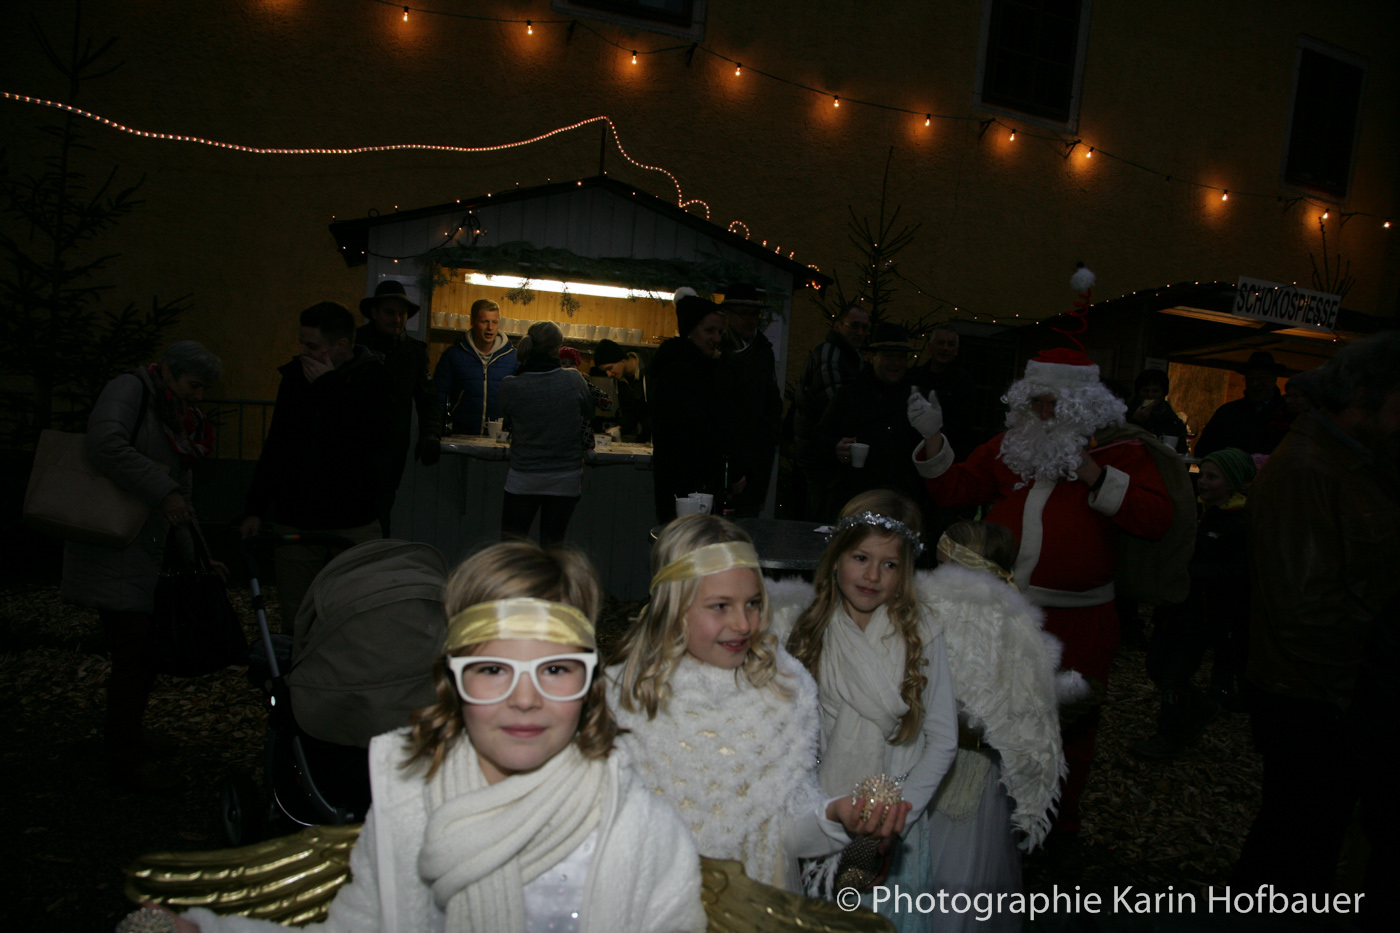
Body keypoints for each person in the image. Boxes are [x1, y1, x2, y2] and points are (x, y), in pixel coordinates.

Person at [147, 540, 706, 932]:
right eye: (492, 669)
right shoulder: (407, 807)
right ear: (451, 681)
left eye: (556, 669)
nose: (525, 698)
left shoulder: (642, 832)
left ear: (591, 684)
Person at [907, 347, 1173, 863]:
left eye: (1055, 404)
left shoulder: (1120, 453)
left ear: (1081, 406)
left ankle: (1058, 828)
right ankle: (993, 822)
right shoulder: (1010, 447)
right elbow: (954, 490)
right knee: (992, 716)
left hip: (1081, 620)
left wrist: (1093, 473)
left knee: (1069, 726)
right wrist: (933, 439)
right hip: (1004, 612)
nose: (1044, 413)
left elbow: (1155, 520)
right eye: (1036, 402)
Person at [609, 515, 908, 892]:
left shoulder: (782, 688)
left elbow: (786, 834)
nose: (743, 624)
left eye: (752, 603)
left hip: (759, 899)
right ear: (673, 605)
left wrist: (834, 816)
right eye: (720, 606)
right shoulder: (627, 698)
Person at [1235, 331, 1400, 894]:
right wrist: (1381, 670)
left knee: (1307, 836)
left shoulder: (1356, 463)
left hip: (1332, 692)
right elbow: (1305, 611)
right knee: (1295, 843)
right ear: (1361, 402)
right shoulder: (1307, 470)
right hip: (1312, 697)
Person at [783, 490, 959, 926]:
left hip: (896, 818)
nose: (873, 575)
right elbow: (791, 737)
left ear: (905, 572)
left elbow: (943, 741)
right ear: (836, 558)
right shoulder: (808, 631)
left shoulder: (922, 634)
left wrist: (897, 819)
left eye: (890, 564)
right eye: (861, 558)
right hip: (823, 811)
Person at [60, 340, 222, 793]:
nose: (199, 397)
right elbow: (105, 444)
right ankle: (125, 758)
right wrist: (161, 492)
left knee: (141, 652)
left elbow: (179, 491)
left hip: (143, 545)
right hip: (116, 543)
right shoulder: (129, 390)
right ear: (168, 372)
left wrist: (198, 555)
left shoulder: (169, 409)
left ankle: (127, 736)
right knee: (134, 652)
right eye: (194, 385)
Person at [919, 520, 1066, 932]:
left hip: (966, 770)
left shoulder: (988, 621)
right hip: (946, 762)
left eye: (944, 566)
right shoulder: (999, 613)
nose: (935, 573)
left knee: (954, 867)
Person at [239, 302, 394, 626]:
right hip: (298, 516)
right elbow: (277, 444)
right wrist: (255, 507)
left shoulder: (374, 378)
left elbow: (369, 441)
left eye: (311, 346)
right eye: (301, 343)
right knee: (298, 613)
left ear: (341, 346)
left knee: (356, 612)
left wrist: (329, 388)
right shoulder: (296, 377)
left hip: (353, 517)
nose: (302, 352)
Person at [1131, 447, 1255, 760]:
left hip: (1203, 614)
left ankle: (1169, 736)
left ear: (1232, 483)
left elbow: (1235, 574)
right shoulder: (1193, 512)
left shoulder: (1238, 524)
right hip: (1173, 606)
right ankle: (1201, 706)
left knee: (1175, 674)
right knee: (1157, 666)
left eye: (1213, 477)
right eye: (1203, 475)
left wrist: (1186, 571)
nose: (1203, 482)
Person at [821, 323, 937, 541]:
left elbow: (935, 449)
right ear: (871, 357)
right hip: (856, 497)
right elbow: (820, 439)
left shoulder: (919, 398)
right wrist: (836, 448)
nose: (896, 363)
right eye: (888, 356)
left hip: (903, 501)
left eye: (901, 357)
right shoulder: (850, 394)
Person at [498, 322, 595, 548]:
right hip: (565, 477)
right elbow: (589, 412)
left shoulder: (510, 385)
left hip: (524, 475)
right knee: (552, 548)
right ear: (557, 349)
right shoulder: (574, 379)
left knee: (511, 549)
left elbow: (506, 416)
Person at [356, 281, 442, 532]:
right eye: (390, 312)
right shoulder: (354, 345)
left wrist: (431, 434)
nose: (397, 319)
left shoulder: (414, 352)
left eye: (402, 313)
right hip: (352, 444)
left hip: (391, 450)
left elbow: (428, 399)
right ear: (374, 313)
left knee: (381, 513)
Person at [648, 288, 728, 522]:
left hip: (688, 482)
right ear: (690, 331)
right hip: (688, 484)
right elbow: (692, 431)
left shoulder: (694, 366)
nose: (717, 338)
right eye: (709, 330)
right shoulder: (681, 370)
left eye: (719, 332)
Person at [791, 304, 870, 520]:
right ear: (838, 326)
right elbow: (833, 404)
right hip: (819, 454)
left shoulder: (854, 357)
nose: (860, 332)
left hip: (830, 452)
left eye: (864, 328)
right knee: (820, 517)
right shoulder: (830, 354)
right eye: (854, 326)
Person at [718, 283, 783, 516]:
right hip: (725, 461)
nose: (751, 320)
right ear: (727, 315)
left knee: (747, 524)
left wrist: (768, 440)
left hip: (756, 461)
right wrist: (732, 467)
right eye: (744, 313)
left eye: (755, 314)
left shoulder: (763, 351)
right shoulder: (717, 350)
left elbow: (771, 403)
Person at [435, 298, 516, 435]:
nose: (490, 328)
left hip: (500, 438)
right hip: (460, 435)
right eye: (484, 322)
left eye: (494, 322)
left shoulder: (513, 358)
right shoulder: (453, 355)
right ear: (472, 322)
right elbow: (439, 395)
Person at [1193, 350, 1291, 457]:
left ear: (1274, 379)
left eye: (1261, 378)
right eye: (1250, 378)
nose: (1255, 383)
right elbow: (1203, 450)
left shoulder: (1288, 413)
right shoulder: (1227, 412)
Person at [907, 326, 978, 461]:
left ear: (956, 350)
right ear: (930, 347)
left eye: (950, 344)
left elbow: (963, 425)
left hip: (946, 455)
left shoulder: (963, 383)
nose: (945, 348)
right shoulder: (913, 378)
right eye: (940, 343)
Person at [591, 338, 651, 442]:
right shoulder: (621, 379)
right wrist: (620, 427)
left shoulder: (652, 369)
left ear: (622, 360)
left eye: (609, 368)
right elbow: (631, 411)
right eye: (605, 371)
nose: (609, 375)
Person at [1125, 368, 1188, 454]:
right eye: (1145, 391)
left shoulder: (1173, 421)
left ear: (1163, 393)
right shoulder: (1125, 414)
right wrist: (1135, 421)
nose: (1150, 395)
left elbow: (1182, 450)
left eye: (1155, 391)